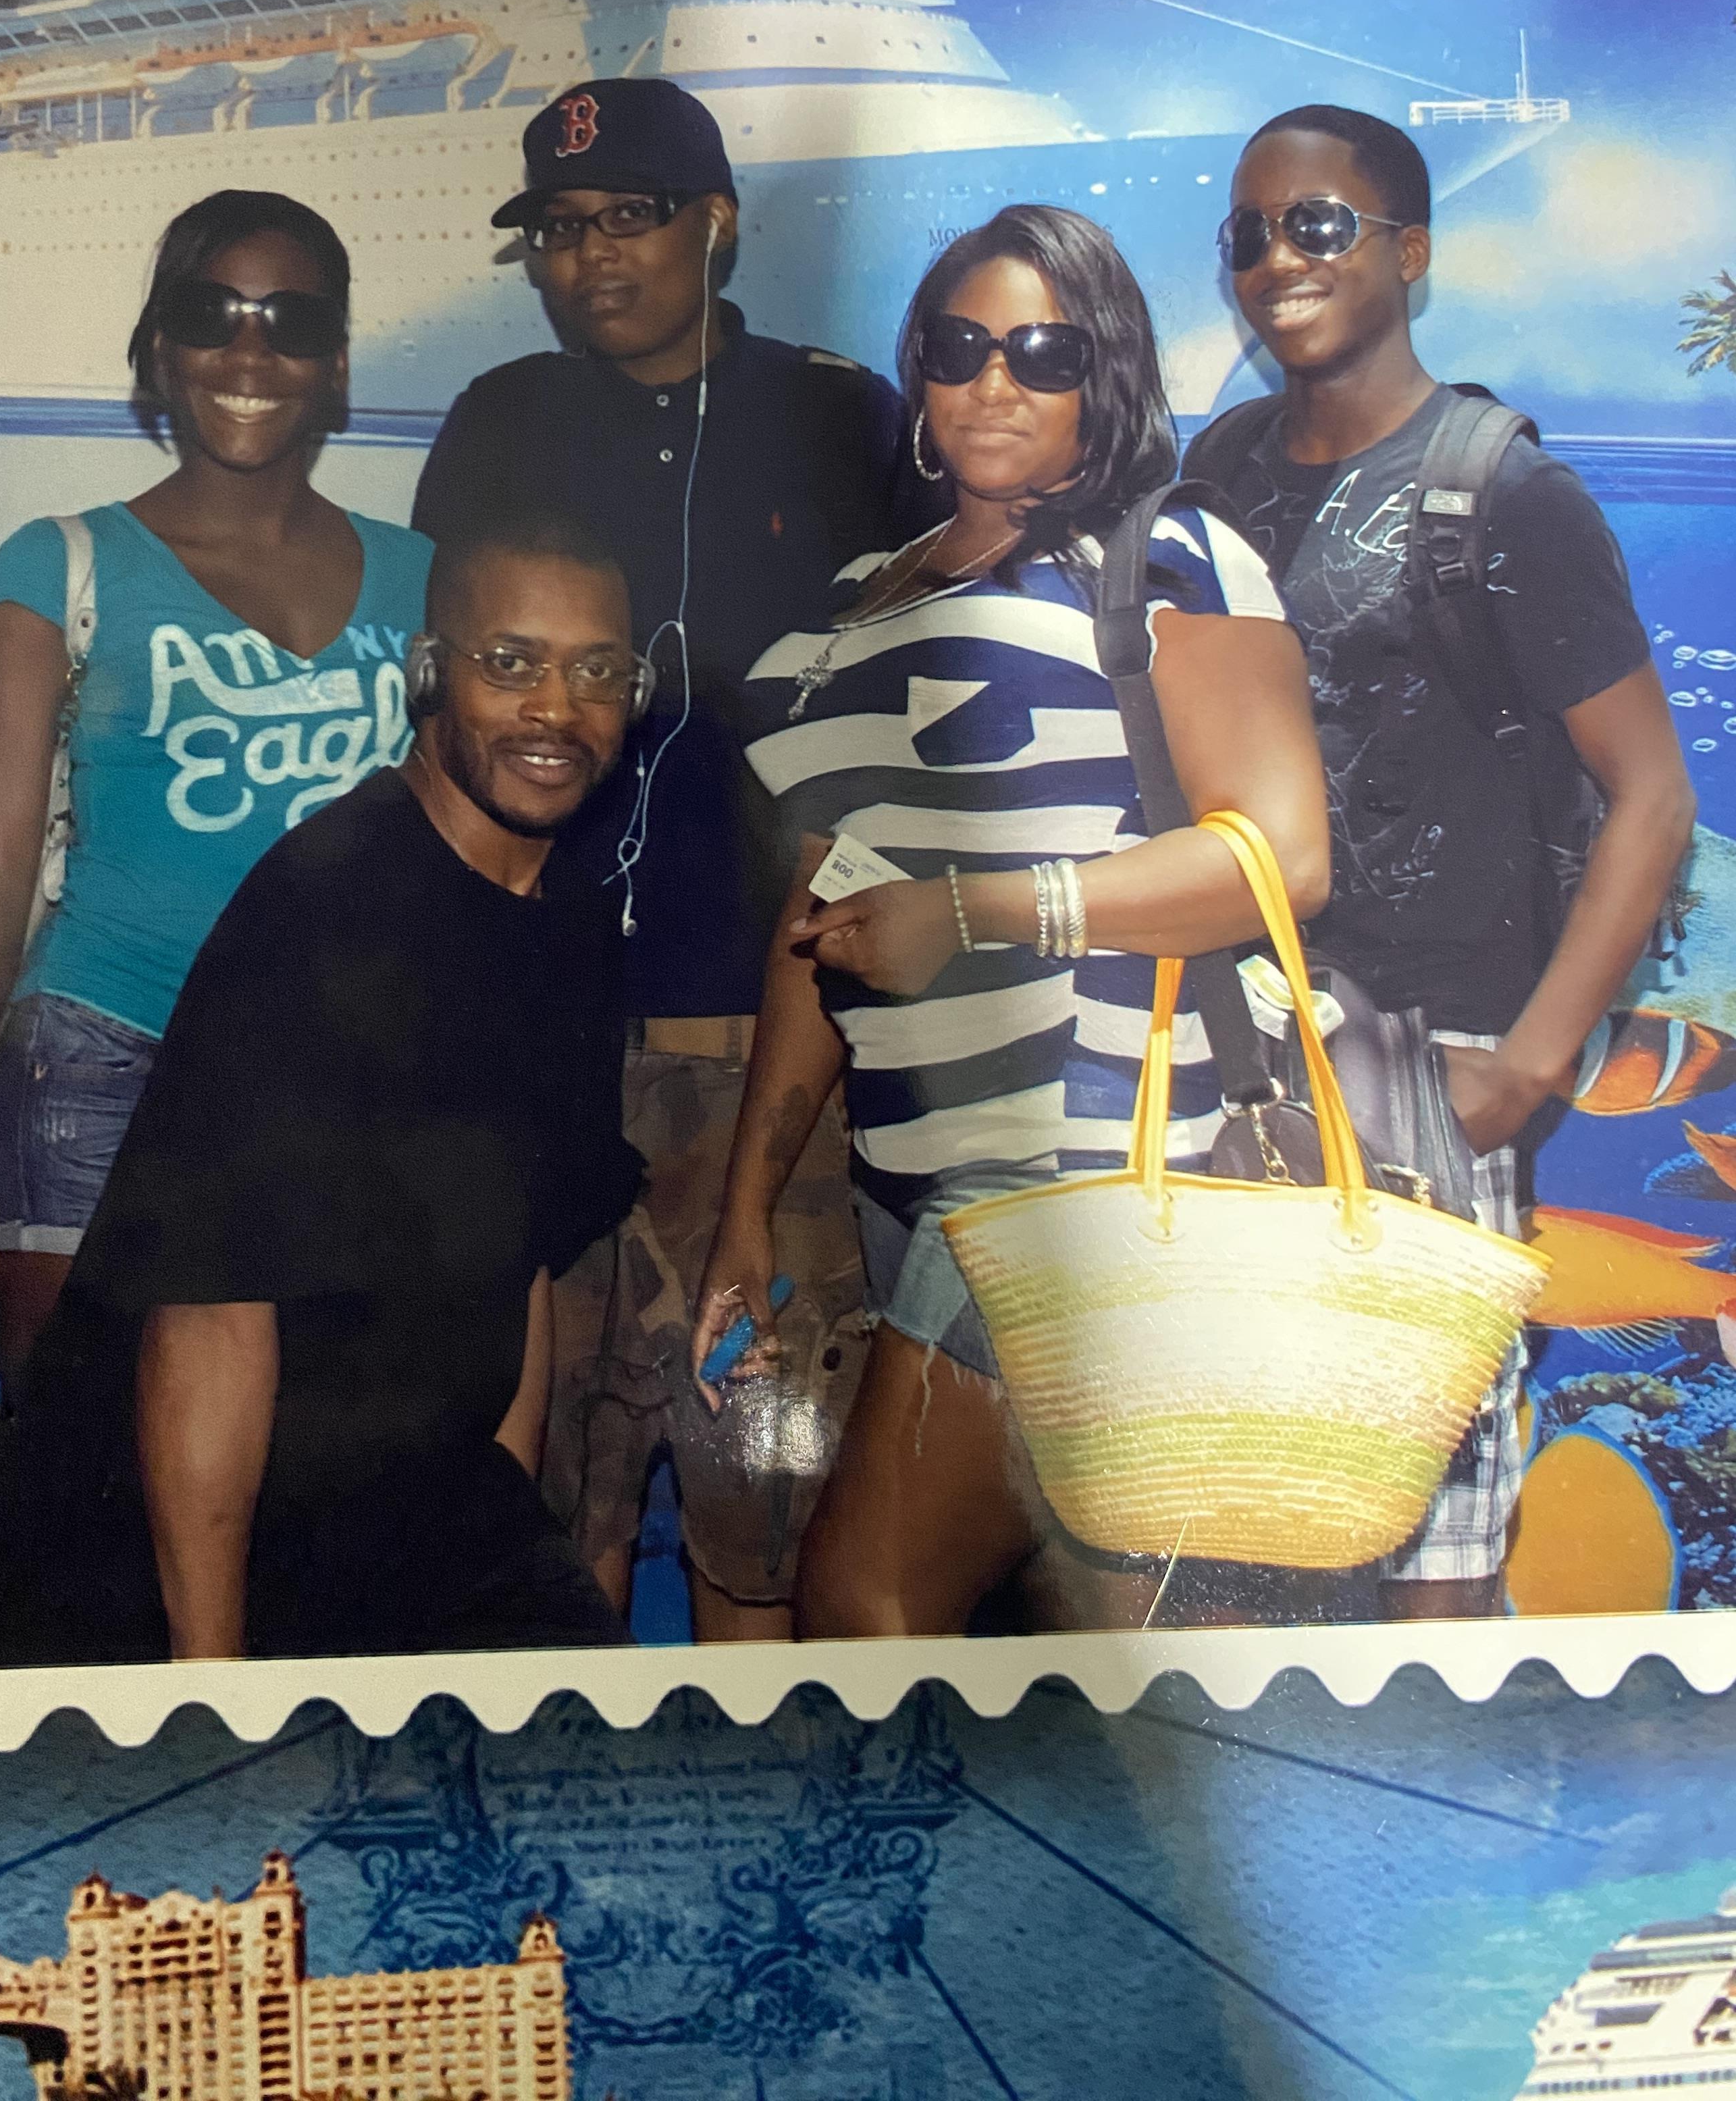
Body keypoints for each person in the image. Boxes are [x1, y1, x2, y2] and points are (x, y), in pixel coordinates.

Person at [695, 204, 1332, 1638]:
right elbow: (826, 920)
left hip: (1090, 1172)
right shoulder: (859, 604)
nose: (996, 382)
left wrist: (985, 910)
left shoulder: (1168, 557)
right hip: (908, 1182)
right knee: (1114, 1629)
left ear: (1101, 376)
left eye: (1042, 352)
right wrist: (747, 1204)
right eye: (961, 346)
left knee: (868, 1606)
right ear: (916, 372)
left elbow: (1282, 861)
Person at [0, 514, 649, 1667]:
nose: (555, 709)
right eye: (509, 663)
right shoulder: (328, 910)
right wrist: (212, 1694)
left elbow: (523, 1265)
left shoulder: (573, 921)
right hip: (144, 1568)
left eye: (597, 671)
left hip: (398, 1519)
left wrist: (496, 1526)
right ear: (429, 677)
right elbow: (208, 1325)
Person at [412, 78, 926, 1642]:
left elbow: (911, 732)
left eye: (630, 217)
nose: (592, 259)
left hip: (771, 1033)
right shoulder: (502, 421)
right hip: (542, 1023)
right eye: (559, 232)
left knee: (764, 1494)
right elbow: (439, 714)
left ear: (717, 224)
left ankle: (775, 1841)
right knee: (533, 1483)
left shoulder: (843, 417)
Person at [1184, 103, 1695, 1621]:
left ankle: (1429, 1839)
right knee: (1235, 1524)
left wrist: (1521, 1078)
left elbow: (1652, 796)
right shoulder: (1218, 473)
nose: (1281, 257)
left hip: (1440, 1072)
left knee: (1438, 1540)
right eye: (1253, 234)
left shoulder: (1504, 490)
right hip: (1252, 1080)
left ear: (1409, 251)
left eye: (1321, 224)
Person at [0, 189, 433, 1405]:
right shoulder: (56, 565)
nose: (250, 353)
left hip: (345, 1091)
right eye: (212, 313)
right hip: (99, 1069)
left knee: (312, 1508)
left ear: (336, 363)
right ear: (158, 348)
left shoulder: (426, 579)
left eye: (291, 322)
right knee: (83, 1507)